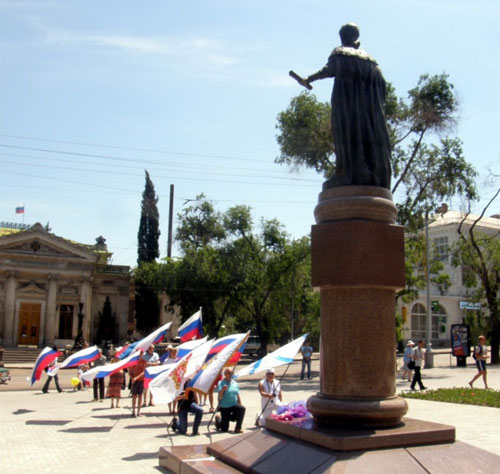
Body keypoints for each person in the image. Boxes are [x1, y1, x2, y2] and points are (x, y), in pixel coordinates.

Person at [303, 23, 391, 189]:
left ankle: (346, 174)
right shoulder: (372, 62)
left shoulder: (340, 53)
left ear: (343, 38)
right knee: (366, 137)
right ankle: (368, 172)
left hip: (346, 107)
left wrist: (308, 78)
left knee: (346, 137)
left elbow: (328, 70)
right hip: (369, 115)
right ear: (356, 37)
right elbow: (383, 87)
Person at [215, 368, 245, 433]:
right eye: (229, 373)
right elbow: (219, 397)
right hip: (225, 406)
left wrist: (240, 404)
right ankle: (219, 421)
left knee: (242, 409)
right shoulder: (221, 383)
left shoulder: (236, 384)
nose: (231, 374)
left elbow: (237, 395)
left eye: (232, 373)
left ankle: (238, 428)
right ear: (225, 374)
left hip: (234, 404)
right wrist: (223, 390)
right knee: (224, 429)